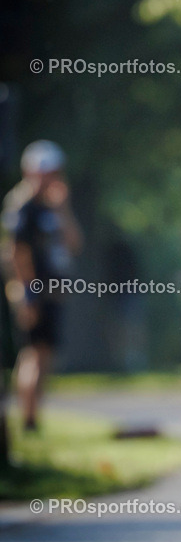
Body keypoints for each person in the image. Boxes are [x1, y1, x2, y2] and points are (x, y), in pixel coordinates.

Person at [2, 140, 82, 430]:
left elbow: (75, 245)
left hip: (53, 293)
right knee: (33, 354)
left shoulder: (53, 205)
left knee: (45, 354)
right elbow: (17, 254)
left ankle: (34, 417)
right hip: (32, 294)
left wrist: (64, 209)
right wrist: (28, 296)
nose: (55, 177)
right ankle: (28, 419)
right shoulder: (22, 205)